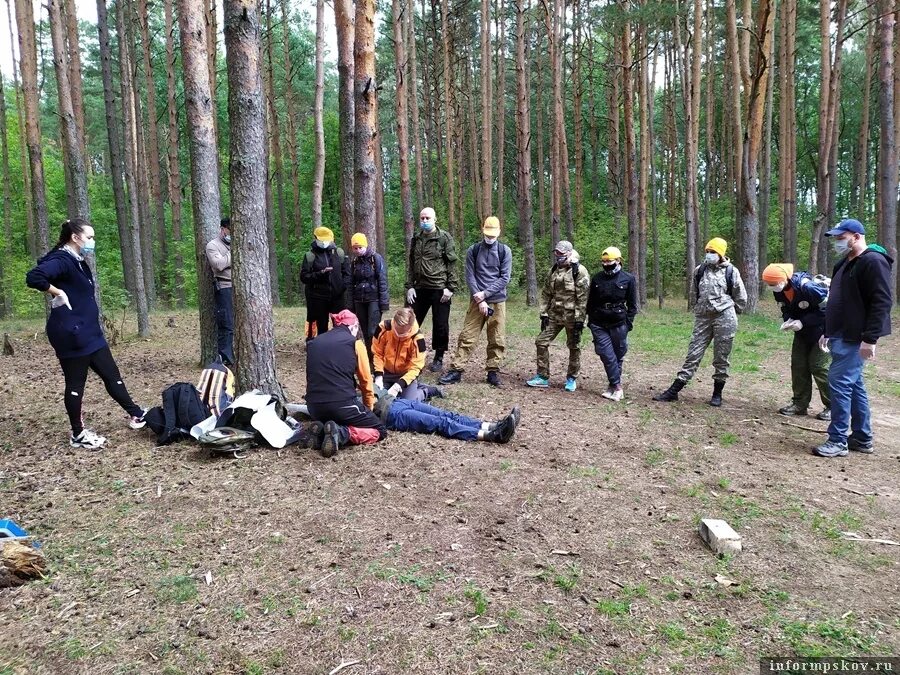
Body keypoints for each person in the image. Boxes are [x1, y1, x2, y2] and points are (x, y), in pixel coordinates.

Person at [26, 218, 147, 450]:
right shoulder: (62, 259)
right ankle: (78, 434)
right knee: (75, 383)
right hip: (71, 333)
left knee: (112, 374)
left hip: (90, 331)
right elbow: (34, 277)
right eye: (89, 237)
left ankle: (137, 414)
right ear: (75, 237)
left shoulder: (77, 260)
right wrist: (57, 292)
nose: (92, 242)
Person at [813, 219, 893, 458]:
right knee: (854, 385)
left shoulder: (873, 261)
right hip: (840, 333)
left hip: (856, 336)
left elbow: (882, 302)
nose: (838, 242)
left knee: (838, 383)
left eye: (841, 237)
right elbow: (836, 299)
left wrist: (870, 338)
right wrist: (828, 329)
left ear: (856, 236)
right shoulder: (843, 264)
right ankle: (862, 437)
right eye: (836, 238)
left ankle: (838, 440)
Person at [653, 237, 747, 407]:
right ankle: (674, 390)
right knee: (693, 354)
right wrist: (699, 309)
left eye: (713, 252)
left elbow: (741, 297)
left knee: (721, 356)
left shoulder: (731, 271)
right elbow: (693, 292)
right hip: (703, 317)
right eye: (708, 251)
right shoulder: (700, 270)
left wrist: (731, 312)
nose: (710, 255)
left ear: (721, 254)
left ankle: (717, 393)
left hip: (724, 318)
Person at [439, 216, 512, 387]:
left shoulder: (504, 251)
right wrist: (479, 299)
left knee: (497, 337)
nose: (490, 238)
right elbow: (470, 275)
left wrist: (485, 295)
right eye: (488, 234)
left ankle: (492, 372)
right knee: (468, 335)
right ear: (483, 230)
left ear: (499, 232)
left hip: (497, 301)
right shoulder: (473, 250)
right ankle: (456, 370)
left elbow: (504, 278)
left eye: (493, 235)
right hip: (476, 300)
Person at [304, 310, 386, 457]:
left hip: (314, 407)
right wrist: (368, 408)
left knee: (332, 420)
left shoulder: (314, 342)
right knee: (379, 431)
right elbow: (366, 381)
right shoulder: (355, 344)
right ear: (354, 326)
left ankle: (322, 431)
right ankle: (343, 434)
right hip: (343, 405)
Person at [761, 263, 831, 421]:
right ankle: (799, 404)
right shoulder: (779, 291)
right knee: (798, 365)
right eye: (768, 284)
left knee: (819, 367)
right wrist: (789, 320)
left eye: (773, 283)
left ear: (784, 279)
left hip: (823, 332)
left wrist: (803, 322)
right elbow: (785, 308)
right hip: (802, 333)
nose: (771, 287)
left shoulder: (808, 288)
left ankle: (833, 406)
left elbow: (828, 310)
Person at [525, 241, 591, 392]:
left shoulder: (579, 271)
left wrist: (580, 320)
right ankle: (542, 377)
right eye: (556, 253)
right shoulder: (554, 270)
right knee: (541, 342)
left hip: (572, 317)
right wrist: (543, 313)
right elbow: (546, 293)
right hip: (555, 315)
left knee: (574, 346)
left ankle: (571, 378)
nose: (558, 256)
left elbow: (583, 298)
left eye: (561, 253)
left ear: (569, 253)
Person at [405, 207, 460, 372]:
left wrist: (451, 288)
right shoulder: (416, 238)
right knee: (409, 322)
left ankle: (439, 356)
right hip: (419, 288)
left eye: (428, 218)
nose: (424, 221)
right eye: (422, 218)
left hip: (439, 288)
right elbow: (411, 263)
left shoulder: (444, 238)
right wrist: (409, 286)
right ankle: (408, 354)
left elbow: (452, 263)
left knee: (440, 324)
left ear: (435, 219)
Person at [586, 246, 638, 401]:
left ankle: (612, 386)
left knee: (618, 355)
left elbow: (633, 305)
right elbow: (591, 302)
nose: (606, 264)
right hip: (599, 323)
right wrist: (590, 321)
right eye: (603, 261)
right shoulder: (597, 278)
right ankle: (618, 386)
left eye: (609, 261)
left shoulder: (628, 279)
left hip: (619, 323)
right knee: (606, 354)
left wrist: (628, 323)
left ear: (618, 261)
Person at [374, 391, 520, 443]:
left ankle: (490, 426)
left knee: (447, 414)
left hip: (395, 400)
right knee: (441, 423)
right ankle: (492, 436)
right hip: (389, 415)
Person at [372, 308, 443, 402]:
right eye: (396, 331)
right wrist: (378, 376)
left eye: (402, 334)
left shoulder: (418, 339)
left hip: (405, 375)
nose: (398, 336)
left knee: (408, 402)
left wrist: (399, 385)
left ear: (410, 328)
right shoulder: (383, 328)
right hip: (386, 372)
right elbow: (377, 353)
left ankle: (425, 391)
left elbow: (416, 367)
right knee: (376, 398)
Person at [300, 226, 351, 341]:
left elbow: (347, 274)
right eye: (321, 240)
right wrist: (320, 274)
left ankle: (339, 346)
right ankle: (321, 348)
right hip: (318, 298)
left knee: (339, 326)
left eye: (326, 240)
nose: (324, 243)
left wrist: (342, 287)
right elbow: (304, 277)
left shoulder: (339, 253)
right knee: (321, 327)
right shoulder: (310, 256)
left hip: (337, 298)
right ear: (316, 239)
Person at [349, 232, 389, 354]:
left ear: (365, 246)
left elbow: (382, 280)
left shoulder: (375, 258)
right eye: (355, 248)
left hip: (374, 299)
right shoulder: (354, 262)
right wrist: (350, 305)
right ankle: (369, 356)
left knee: (373, 330)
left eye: (360, 247)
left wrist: (384, 303)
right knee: (365, 331)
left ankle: (377, 355)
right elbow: (351, 283)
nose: (358, 250)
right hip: (359, 300)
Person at [205, 217, 234, 366]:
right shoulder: (213, 245)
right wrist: (234, 253)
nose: (231, 233)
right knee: (227, 325)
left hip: (239, 289)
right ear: (223, 229)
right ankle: (226, 360)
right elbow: (218, 265)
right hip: (224, 288)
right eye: (229, 229)